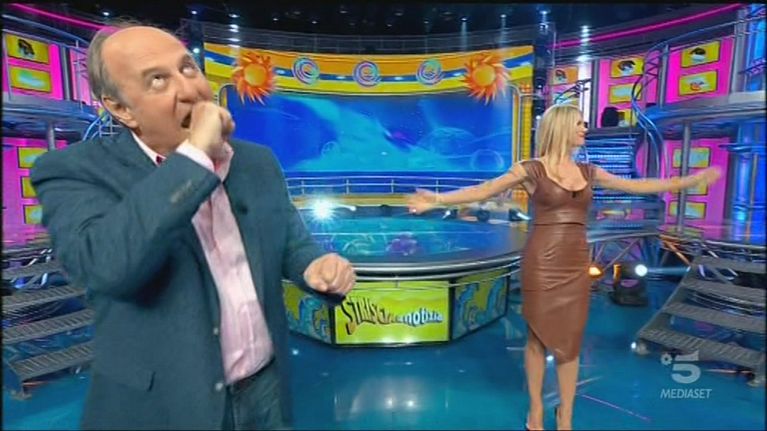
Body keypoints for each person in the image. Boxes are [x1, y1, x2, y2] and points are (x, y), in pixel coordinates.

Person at [30, 24, 356, 430]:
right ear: (121, 108)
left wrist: (314, 266)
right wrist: (196, 156)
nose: (189, 90)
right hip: (164, 406)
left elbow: (291, 241)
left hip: (265, 388)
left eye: (187, 68)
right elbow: (106, 266)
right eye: (157, 80)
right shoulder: (72, 170)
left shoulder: (257, 162)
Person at [407, 103, 720, 430]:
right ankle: (536, 409)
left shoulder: (589, 171)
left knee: (570, 342)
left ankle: (565, 415)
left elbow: (639, 186)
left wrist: (687, 181)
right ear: (561, 127)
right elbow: (484, 190)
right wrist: (437, 199)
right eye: (580, 123)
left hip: (575, 262)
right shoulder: (530, 169)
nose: (585, 128)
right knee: (537, 338)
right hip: (541, 262)